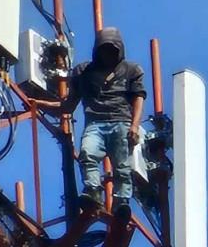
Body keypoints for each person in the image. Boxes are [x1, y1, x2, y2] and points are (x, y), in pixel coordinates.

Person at [31, 27, 146, 219]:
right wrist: (40, 103)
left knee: (122, 166)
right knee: (87, 153)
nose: (108, 54)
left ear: (119, 50)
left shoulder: (131, 70)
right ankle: (93, 191)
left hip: (121, 122)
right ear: (98, 50)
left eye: (112, 49)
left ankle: (121, 201)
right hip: (96, 123)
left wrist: (134, 126)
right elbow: (68, 105)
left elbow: (138, 99)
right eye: (104, 49)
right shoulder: (83, 72)